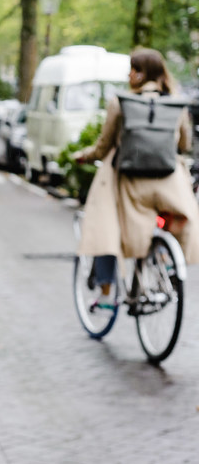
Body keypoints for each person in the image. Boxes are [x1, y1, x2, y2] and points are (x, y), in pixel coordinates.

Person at [73, 47, 199, 305]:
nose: (128, 73)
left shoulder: (121, 102)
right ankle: (168, 262)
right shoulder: (176, 102)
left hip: (129, 183)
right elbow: (184, 145)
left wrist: (85, 155)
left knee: (105, 229)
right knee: (176, 218)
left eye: (133, 68)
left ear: (141, 74)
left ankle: (106, 296)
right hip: (168, 183)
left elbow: (104, 145)